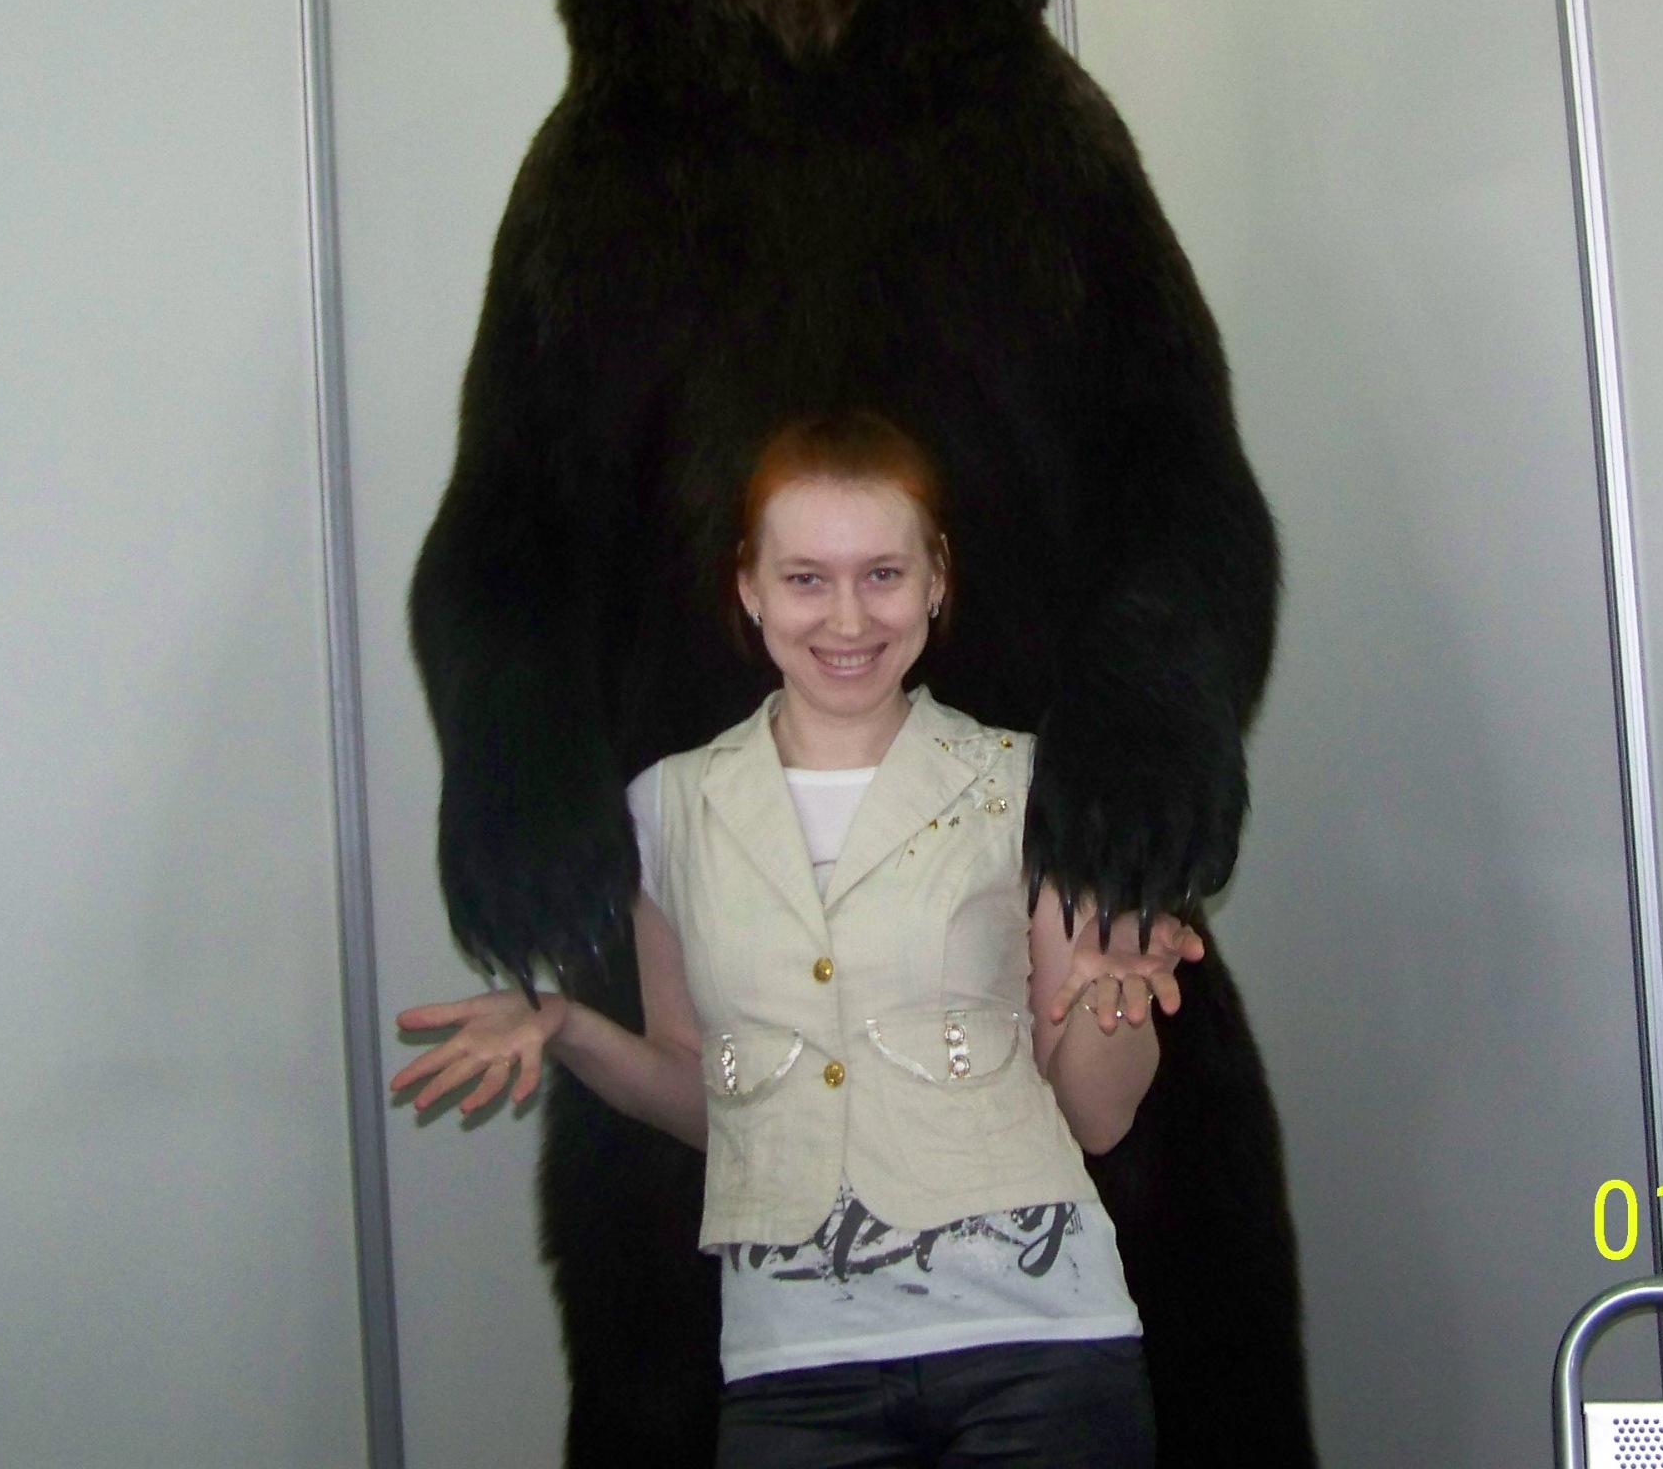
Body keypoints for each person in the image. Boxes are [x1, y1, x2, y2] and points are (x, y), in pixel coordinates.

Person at [391, 411, 1200, 1468]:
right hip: (793, 1373)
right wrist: (567, 1029)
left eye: (883, 575)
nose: (848, 618)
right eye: (807, 578)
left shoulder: (1027, 785)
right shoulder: (668, 811)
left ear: (936, 579)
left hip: (1042, 1354)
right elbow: (710, 1102)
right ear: (750, 587)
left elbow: (1096, 1115)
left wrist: (1109, 999)